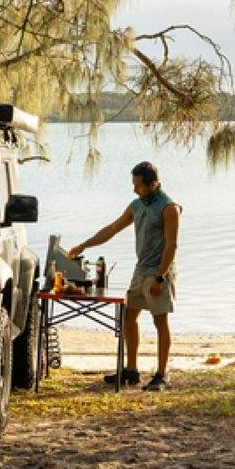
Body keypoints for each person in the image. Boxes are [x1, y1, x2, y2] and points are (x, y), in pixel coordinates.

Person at [68, 161, 180, 390]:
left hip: (159, 271)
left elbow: (171, 246)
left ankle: (162, 374)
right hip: (140, 270)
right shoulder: (136, 205)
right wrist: (83, 246)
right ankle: (131, 370)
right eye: (134, 185)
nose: (135, 189)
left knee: (160, 321)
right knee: (128, 316)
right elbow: (112, 229)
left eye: (138, 186)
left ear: (153, 184)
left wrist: (160, 277)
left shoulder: (169, 208)